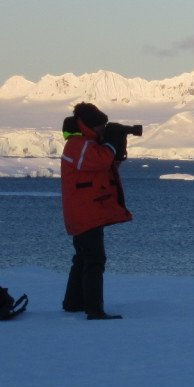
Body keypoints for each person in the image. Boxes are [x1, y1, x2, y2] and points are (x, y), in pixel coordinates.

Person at [60, 102, 133, 319]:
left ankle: (73, 302)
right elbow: (98, 160)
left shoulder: (86, 143)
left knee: (83, 257)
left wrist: (117, 149)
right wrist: (111, 144)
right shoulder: (77, 144)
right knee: (94, 259)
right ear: (90, 126)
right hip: (85, 212)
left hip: (87, 211)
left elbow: (105, 167)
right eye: (101, 126)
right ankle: (94, 309)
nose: (103, 130)